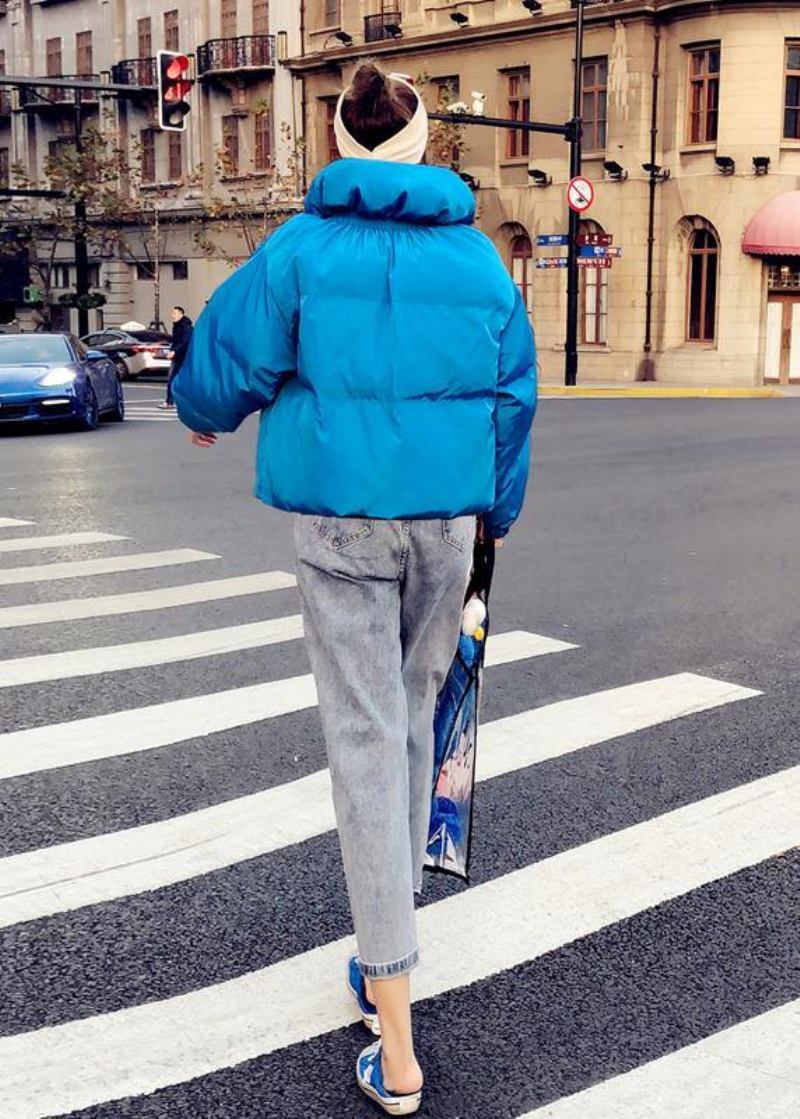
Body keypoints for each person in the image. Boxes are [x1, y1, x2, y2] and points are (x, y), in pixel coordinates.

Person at [172, 62, 536, 1116]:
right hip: (446, 525)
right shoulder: (477, 262)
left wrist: (204, 409)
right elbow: (512, 401)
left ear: (342, 139)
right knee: (414, 719)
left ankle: (398, 1034)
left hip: (341, 525)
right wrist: (492, 517)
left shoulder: (298, 250)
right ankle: (391, 933)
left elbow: (230, 355)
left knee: (365, 744)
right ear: (423, 144)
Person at [161, 305, 193, 409]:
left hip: (184, 357)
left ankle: (170, 402)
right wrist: (172, 350)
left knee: (173, 378)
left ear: (181, 314)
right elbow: (176, 341)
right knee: (175, 378)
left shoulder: (185, 326)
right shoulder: (177, 325)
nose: (172, 315)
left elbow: (185, 341)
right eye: (172, 313)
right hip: (179, 356)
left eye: (175, 313)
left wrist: (174, 351)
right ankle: (170, 401)